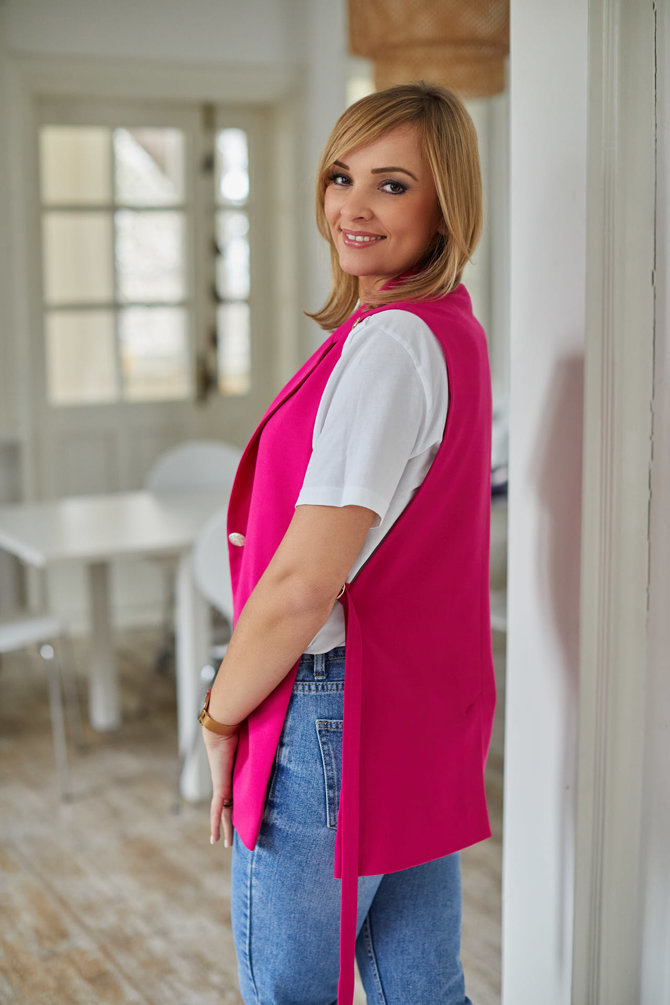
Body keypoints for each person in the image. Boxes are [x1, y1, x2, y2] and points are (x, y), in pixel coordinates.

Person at [200, 81, 496, 1005]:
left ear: (447, 203)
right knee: (420, 989)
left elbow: (299, 584)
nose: (352, 207)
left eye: (393, 184)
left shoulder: (391, 345)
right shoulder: (446, 333)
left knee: (288, 992)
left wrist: (218, 715)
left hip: (330, 715)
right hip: (405, 710)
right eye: (341, 176)